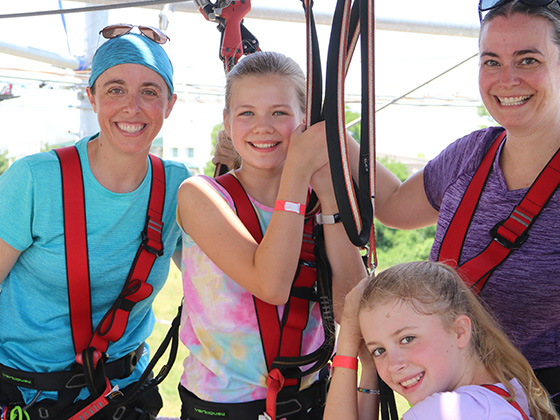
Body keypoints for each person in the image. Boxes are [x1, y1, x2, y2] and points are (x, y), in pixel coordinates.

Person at [372, 0, 560, 406]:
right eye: (491, 61)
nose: (506, 78)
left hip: (538, 401)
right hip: (451, 398)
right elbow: (391, 206)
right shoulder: (473, 154)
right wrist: (327, 138)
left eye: (528, 60)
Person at [0, 25, 190, 420]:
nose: (132, 107)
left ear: (170, 103)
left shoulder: (178, 187)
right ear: (92, 97)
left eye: (150, 92)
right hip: (27, 395)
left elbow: (224, 280)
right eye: (115, 89)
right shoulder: (35, 179)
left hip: (121, 395)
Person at [176, 51, 367, 420]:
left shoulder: (318, 203)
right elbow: (272, 285)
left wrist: (329, 198)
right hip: (222, 406)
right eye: (246, 113)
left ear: (304, 123)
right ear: (228, 124)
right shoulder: (200, 196)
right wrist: (298, 171)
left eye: (279, 113)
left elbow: (352, 309)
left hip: (310, 400)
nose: (262, 126)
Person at [324, 261, 558, 420]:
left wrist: (346, 347)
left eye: (407, 339)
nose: (394, 365)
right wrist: (368, 370)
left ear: (459, 331)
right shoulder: (510, 391)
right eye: (379, 350)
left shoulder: (446, 411)